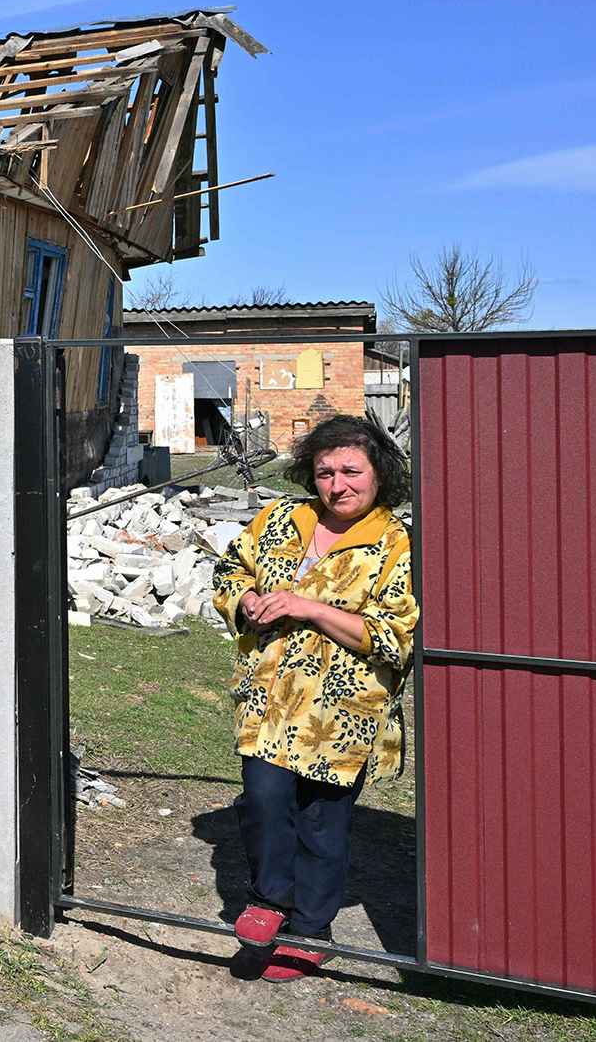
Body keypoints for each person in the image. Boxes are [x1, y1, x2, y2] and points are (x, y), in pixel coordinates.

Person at [212, 414, 417, 981]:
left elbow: (396, 636)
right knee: (262, 799)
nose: (338, 484)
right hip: (269, 695)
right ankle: (270, 899)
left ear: (379, 476)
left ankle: (311, 929)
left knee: (322, 823)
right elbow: (229, 571)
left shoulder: (396, 543)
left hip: (343, 710)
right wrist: (247, 599)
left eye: (352, 470)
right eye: (326, 471)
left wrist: (312, 608)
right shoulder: (281, 518)